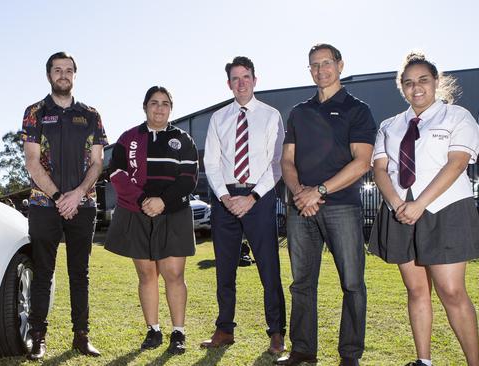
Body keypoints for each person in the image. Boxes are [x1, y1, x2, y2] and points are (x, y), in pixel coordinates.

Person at [369, 52, 479, 366]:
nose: (416, 88)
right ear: (401, 88)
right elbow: (380, 169)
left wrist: (420, 204)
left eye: (423, 80)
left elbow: (457, 162)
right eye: (408, 83)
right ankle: (424, 361)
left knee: (451, 290)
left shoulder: (457, 117)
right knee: (416, 289)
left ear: (436, 82)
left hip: (444, 210)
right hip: (401, 211)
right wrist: (398, 205)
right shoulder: (390, 126)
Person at [278, 43, 376, 366]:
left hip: (342, 207)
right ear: (309, 71)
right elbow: (287, 161)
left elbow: (362, 162)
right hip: (301, 209)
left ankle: (350, 355)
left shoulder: (357, 110)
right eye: (314, 65)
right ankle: (303, 349)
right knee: (301, 284)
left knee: (352, 283)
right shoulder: (299, 112)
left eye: (326, 63)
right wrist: (299, 193)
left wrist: (318, 190)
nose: (321, 70)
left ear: (340, 65)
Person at [21, 51, 108, 360]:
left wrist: (78, 194)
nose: (63, 74)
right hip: (45, 205)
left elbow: (97, 163)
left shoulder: (91, 115)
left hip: (83, 206)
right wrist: (60, 198)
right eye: (57, 70)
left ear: (75, 75)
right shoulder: (34, 112)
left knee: (79, 273)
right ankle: (38, 338)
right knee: (43, 272)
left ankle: (81, 337)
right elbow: (32, 162)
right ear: (49, 76)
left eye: (68, 70)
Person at [202, 56, 286, 355]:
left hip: (258, 198)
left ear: (255, 79)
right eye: (235, 78)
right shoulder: (219, 118)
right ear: (229, 84)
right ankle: (224, 329)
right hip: (224, 199)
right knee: (225, 270)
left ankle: (276, 332)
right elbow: (210, 162)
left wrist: (252, 198)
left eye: (246, 77)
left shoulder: (271, 115)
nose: (241, 83)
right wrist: (225, 197)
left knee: (268, 268)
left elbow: (277, 163)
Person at [105, 86, 198, 355]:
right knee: (147, 274)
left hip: (174, 213)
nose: (159, 108)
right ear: (145, 106)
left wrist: (163, 202)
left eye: (165, 103)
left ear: (171, 108)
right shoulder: (129, 138)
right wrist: (145, 199)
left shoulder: (184, 139)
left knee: (174, 274)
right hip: (138, 211)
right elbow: (117, 174)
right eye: (154, 103)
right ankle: (153, 330)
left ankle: (178, 333)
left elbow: (188, 178)